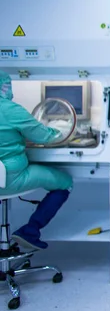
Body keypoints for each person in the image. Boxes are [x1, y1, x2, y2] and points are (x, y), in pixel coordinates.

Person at [0, 71, 72, 251]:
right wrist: (63, 132)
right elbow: (44, 136)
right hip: (11, 178)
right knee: (65, 183)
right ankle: (30, 231)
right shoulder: (9, 109)